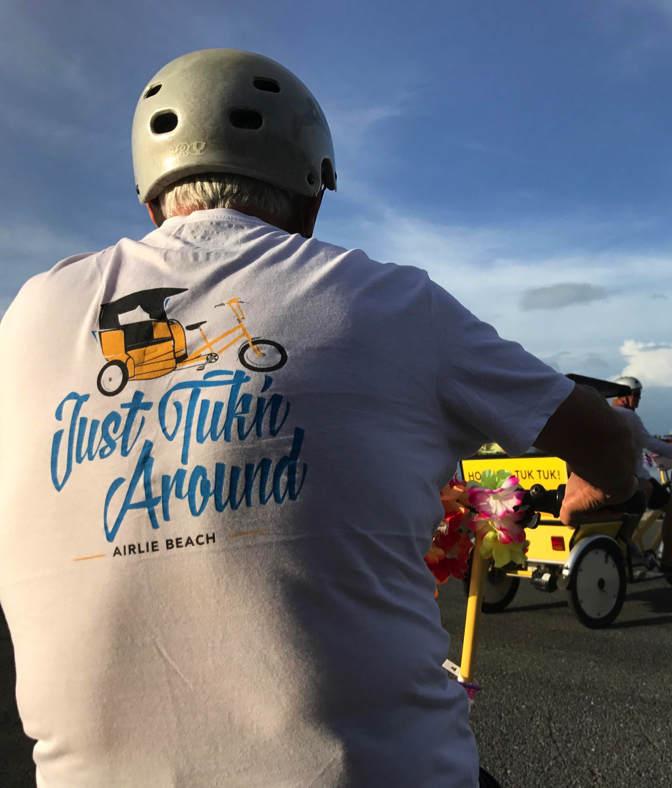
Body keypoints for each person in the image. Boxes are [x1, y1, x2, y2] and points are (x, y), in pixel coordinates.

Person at [0, 49, 638, 787]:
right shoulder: (389, 303)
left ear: (152, 202)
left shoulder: (28, 319)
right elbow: (598, 437)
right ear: (311, 199)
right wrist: (612, 482)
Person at [610, 376, 672, 578]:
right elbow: (651, 444)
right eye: (636, 395)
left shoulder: (608, 414)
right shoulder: (629, 416)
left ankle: (626, 540)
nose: (638, 400)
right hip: (634, 476)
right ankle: (668, 561)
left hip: (612, 476)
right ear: (625, 396)